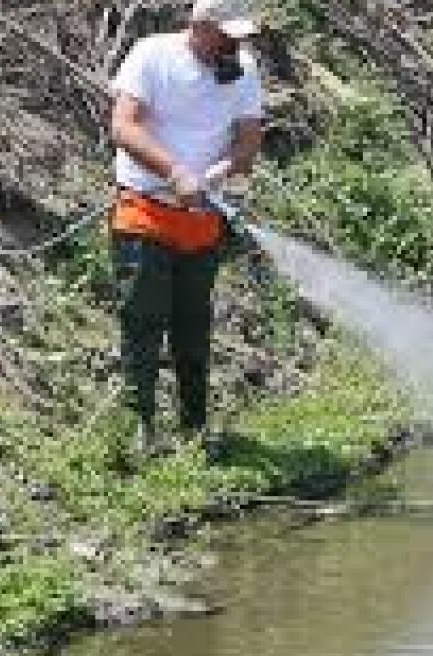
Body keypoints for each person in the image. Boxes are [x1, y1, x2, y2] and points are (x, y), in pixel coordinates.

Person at [108, 0, 264, 459]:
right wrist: (175, 171)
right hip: (145, 211)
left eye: (239, 37)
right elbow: (123, 125)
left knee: (193, 327)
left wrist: (215, 175)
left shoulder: (243, 69)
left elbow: (249, 142)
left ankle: (195, 427)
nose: (233, 45)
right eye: (225, 35)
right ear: (199, 26)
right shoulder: (151, 55)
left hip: (201, 219)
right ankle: (140, 426)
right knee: (142, 319)